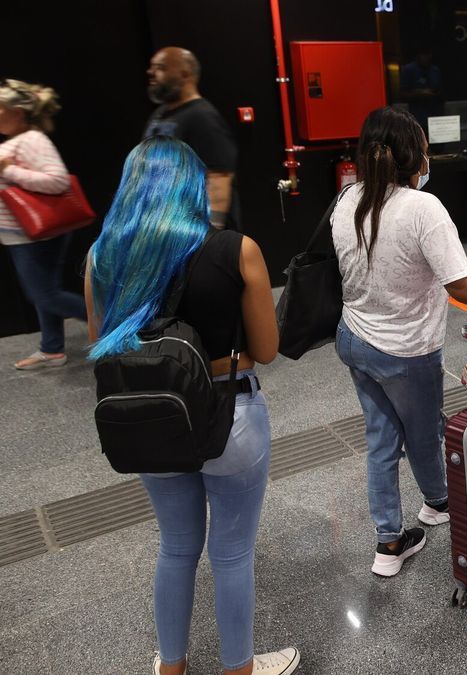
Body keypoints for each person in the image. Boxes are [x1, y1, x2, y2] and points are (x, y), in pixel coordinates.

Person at [85, 138, 295, 675]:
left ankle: (171, 667)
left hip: (151, 420)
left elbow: (103, 349)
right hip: (231, 417)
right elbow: (267, 351)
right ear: (192, 185)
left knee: (177, 546)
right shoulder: (236, 250)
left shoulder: (101, 259)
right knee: (231, 554)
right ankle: (239, 669)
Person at [333, 106, 467, 577]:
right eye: (424, 149)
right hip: (405, 350)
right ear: (414, 157)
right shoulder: (422, 208)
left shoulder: (347, 198)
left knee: (382, 439)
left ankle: (388, 542)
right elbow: (462, 286)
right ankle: (439, 503)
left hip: (354, 338)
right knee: (423, 433)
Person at [0, 79, 87, 371]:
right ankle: (52, 349)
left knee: (45, 294)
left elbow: (58, 180)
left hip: (34, 236)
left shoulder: (32, 140)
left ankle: (119, 329)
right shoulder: (16, 142)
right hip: (21, 235)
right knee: (46, 292)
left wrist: (9, 171)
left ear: (19, 113)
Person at [144, 47, 239, 230]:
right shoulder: (160, 114)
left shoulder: (203, 117)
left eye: (160, 67)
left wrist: (212, 231)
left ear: (185, 74)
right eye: (151, 67)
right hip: (165, 223)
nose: (151, 73)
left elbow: (219, 177)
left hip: (193, 228)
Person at [398, 47, 444, 132]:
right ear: (418, 55)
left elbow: (440, 91)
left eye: (428, 54)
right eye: (424, 54)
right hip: (416, 115)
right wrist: (419, 93)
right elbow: (402, 93)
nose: (426, 57)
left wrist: (433, 93)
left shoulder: (435, 70)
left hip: (434, 115)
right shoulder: (409, 69)